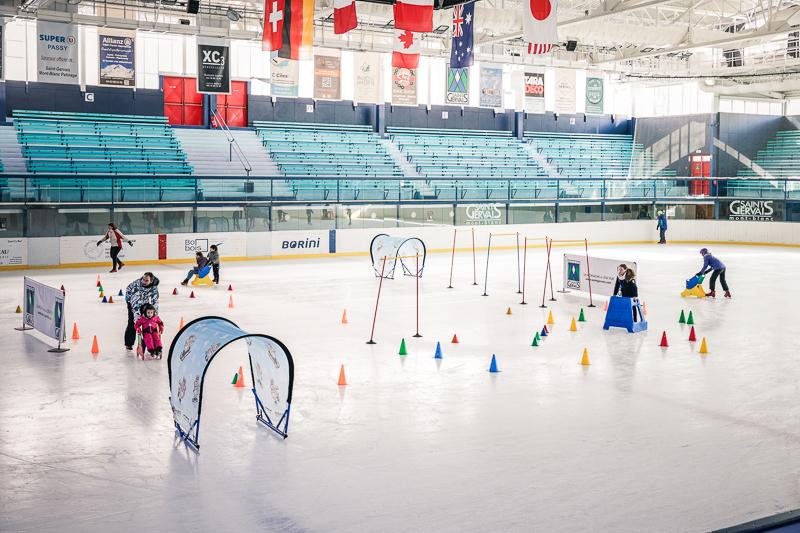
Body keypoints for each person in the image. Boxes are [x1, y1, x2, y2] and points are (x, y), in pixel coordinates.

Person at [124, 272, 160, 351]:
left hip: (144, 303)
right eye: (143, 279)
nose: (143, 281)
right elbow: (134, 301)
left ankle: (147, 344)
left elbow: (155, 302)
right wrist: (137, 318)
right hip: (132, 302)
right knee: (132, 322)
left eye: (146, 280)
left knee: (147, 323)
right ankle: (129, 343)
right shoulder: (137, 285)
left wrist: (154, 314)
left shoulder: (154, 288)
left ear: (151, 281)